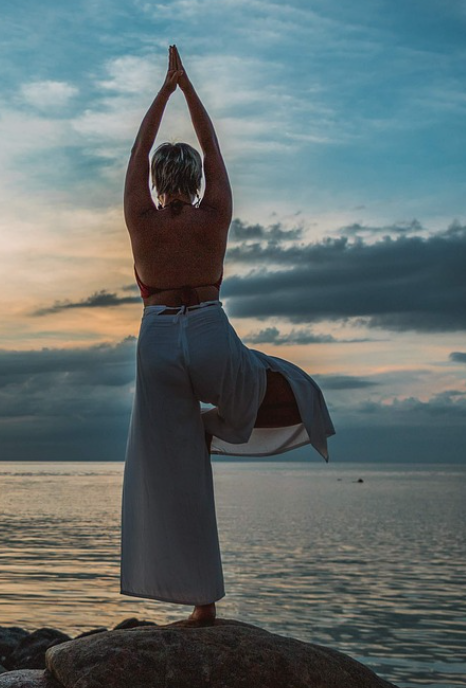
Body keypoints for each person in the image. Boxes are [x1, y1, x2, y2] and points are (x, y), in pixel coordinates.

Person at [119, 46, 335, 626]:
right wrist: (188, 89)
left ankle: (199, 600)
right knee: (261, 388)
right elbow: (212, 149)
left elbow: (138, 153)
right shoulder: (214, 214)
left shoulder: (141, 220)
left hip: (159, 337)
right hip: (210, 330)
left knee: (172, 466)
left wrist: (161, 92)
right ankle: (223, 429)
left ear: (159, 182)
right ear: (194, 179)